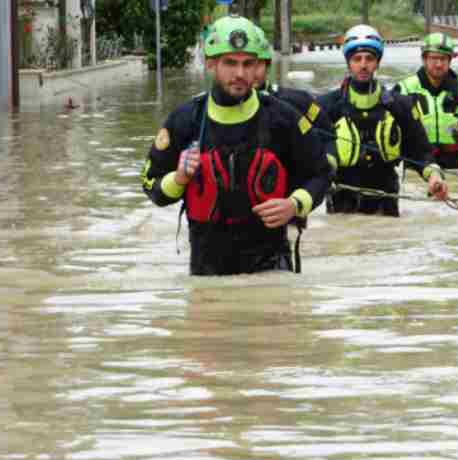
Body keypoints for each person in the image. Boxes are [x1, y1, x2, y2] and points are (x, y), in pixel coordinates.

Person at [140, 15, 334, 275]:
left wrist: (295, 205)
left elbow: (321, 173)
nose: (240, 74)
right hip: (206, 274)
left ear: (258, 66)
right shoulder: (184, 120)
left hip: (271, 269)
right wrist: (179, 178)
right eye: (230, 63)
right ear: (211, 64)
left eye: (248, 64)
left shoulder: (283, 119)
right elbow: (150, 184)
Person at [315, 24, 449, 215]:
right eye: (357, 59)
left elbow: (421, 152)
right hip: (341, 206)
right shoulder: (326, 106)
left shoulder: (401, 106)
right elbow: (307, 155)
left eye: (369, 59)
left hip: (386, 203)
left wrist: (434, 176)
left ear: (377, 62)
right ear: (348, 62)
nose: (363, 65)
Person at [393, 32, 458, 170]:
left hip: (452, 162)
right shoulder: (405, 88)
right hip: (417, 161)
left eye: (443, 59)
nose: (438, 64)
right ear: (424, 59)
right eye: (434, 58)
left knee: (456, 191)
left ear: (450, 60)